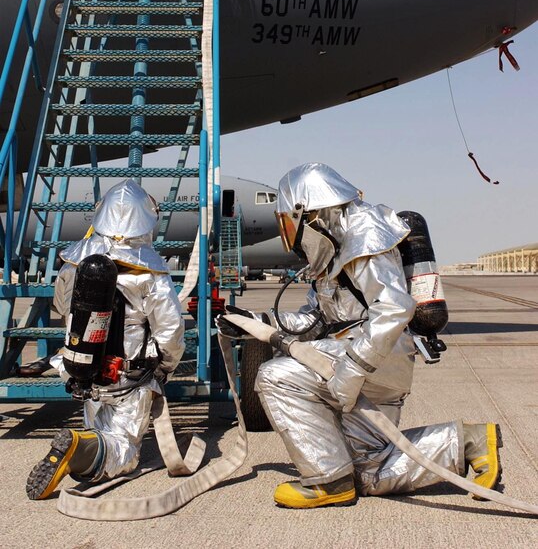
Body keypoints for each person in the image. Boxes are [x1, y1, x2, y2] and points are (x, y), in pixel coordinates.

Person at [220, 162, 502, 509]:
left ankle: (328, 480)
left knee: (278, 376)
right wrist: (255, 322)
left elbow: (394, 307)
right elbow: (314, 322)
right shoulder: (335, 249)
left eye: (287, 221)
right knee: (367, 471)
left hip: (373, 360)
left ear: (306, 213)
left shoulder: (364, 234)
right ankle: (468, 442)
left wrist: (350, 373)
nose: (288, 233)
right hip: (375, 361)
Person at [26, 179, 185, 500]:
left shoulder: (75, 262)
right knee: (124, 448)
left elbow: (61, 305)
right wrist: (166, 366)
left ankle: (86, 442)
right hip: (129, 375)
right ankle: (80, 448)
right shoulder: (150, 273)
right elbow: (170, 330)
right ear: (146, 221)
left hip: (81, 368)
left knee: (100, 426)